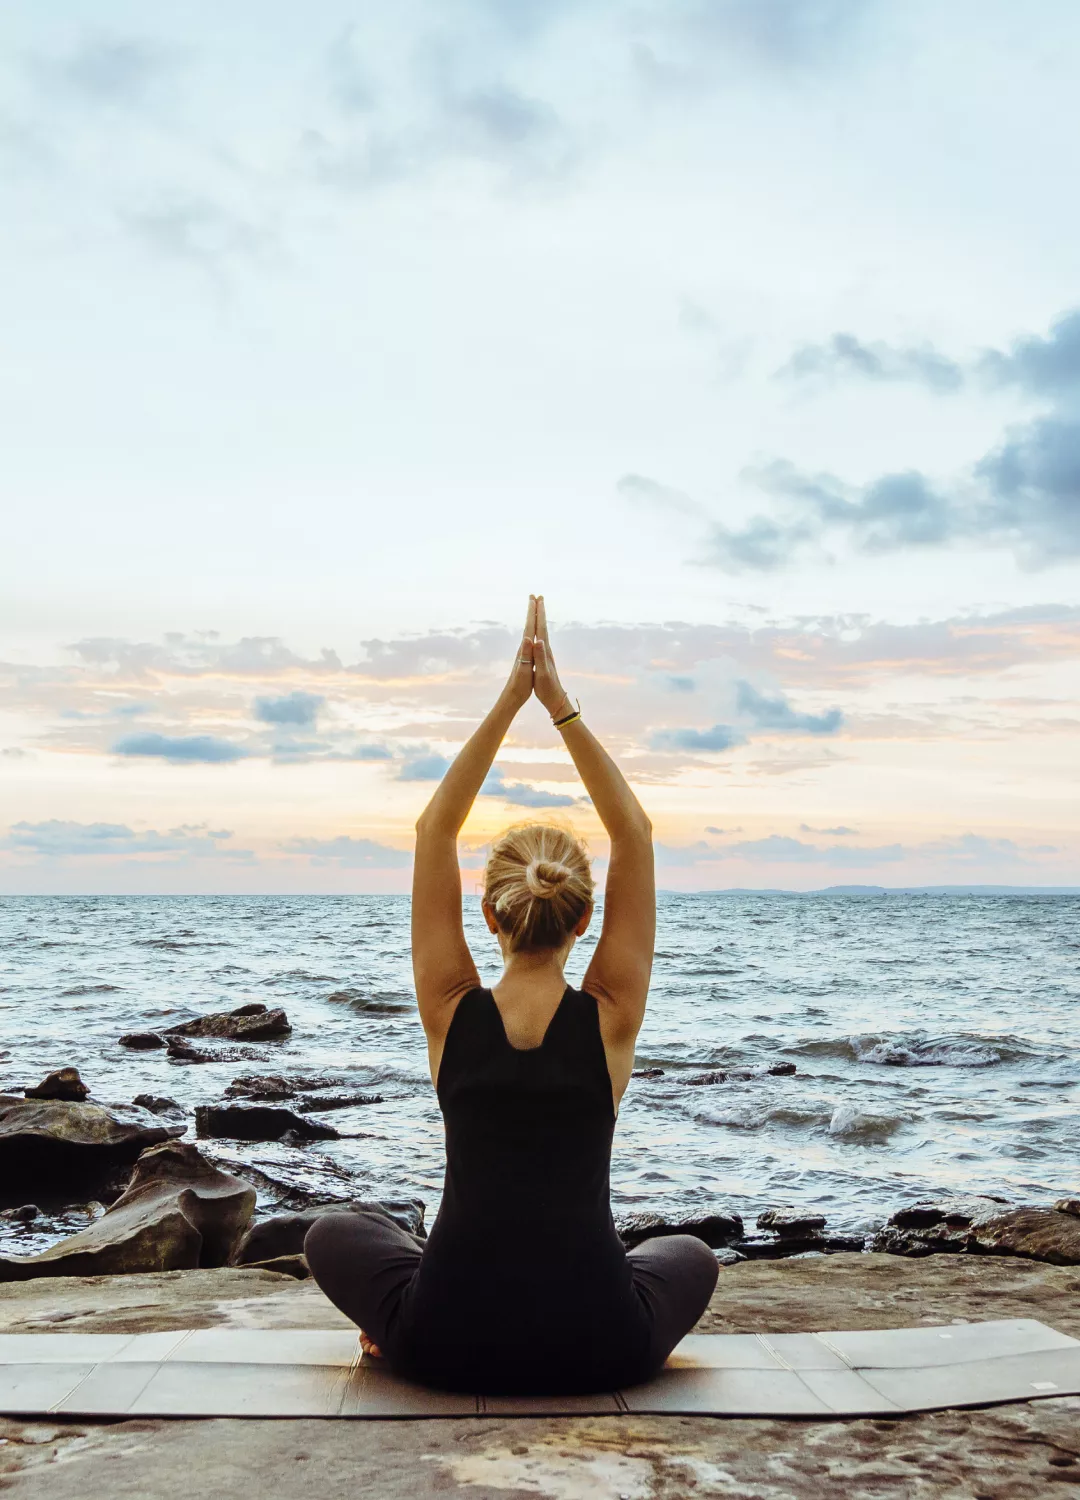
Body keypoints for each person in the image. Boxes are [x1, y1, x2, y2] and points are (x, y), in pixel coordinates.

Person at [305, 595, 718, 1394]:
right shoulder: (610, 1017)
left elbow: (434, 831)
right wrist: (558, 705)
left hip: (445, 1341)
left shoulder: (450, 1008)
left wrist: (509, 698)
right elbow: (635, 832)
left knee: (332, 1231)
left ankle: (390, 1333)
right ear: (585, 917)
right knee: (689, 1255)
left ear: (487, 913)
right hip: (600, 1343)